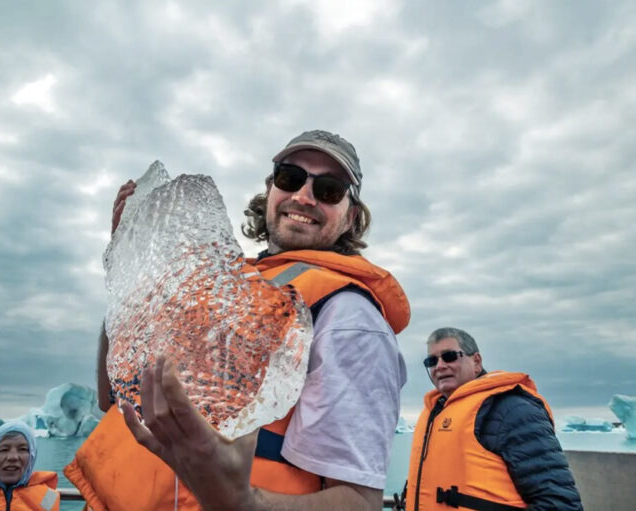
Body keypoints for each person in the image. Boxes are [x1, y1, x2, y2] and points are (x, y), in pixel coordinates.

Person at [65, 130, 411, 510]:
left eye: (328, 189)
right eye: (290, 178)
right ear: (271, 189)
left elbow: (359, 503)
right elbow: (110, 396)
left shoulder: (348, 317)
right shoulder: (223, 289)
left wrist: (241, 503)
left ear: (351, 218)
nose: (302, 196)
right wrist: (128, 272)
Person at [402, 327, 582, 510]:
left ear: (477, 362)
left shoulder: (510, 409)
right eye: (432, 361)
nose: (440, 366)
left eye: (449, 356)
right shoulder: (436, 413)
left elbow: (559, 504)